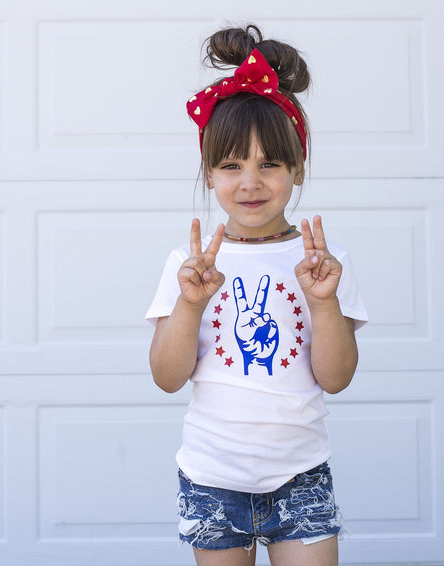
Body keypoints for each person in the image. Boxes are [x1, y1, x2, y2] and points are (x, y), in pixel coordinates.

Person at [146, 24, 368, 566]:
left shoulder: (323, 263)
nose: (250, 181)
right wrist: (191, 304)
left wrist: (321, 302)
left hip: (301, 476)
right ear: (209, 173)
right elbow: (167, 378)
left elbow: (336, 379)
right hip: (212, 477)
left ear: (297, 169)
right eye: (231, 165)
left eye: (269, 163)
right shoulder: (189, 266)